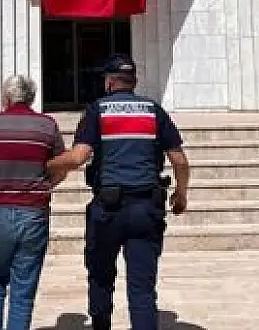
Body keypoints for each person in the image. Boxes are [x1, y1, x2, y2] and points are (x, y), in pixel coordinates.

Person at [47, 54, 191, 330]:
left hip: (108, 209)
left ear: (110, 82)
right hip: (146, 208)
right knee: (142, 289)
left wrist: (49, 164)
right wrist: (181, 194)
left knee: (101, 278)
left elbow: (78, 158)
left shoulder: (97, 110)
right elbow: (180, 160)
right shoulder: (153, 110)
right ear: (133, 81)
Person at [0, 75, 66, 330]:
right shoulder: (48, 125)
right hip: (33, 213)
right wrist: (42, 188)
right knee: (23, 290)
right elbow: (62, 167)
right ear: (32, 97)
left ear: (6, 97)